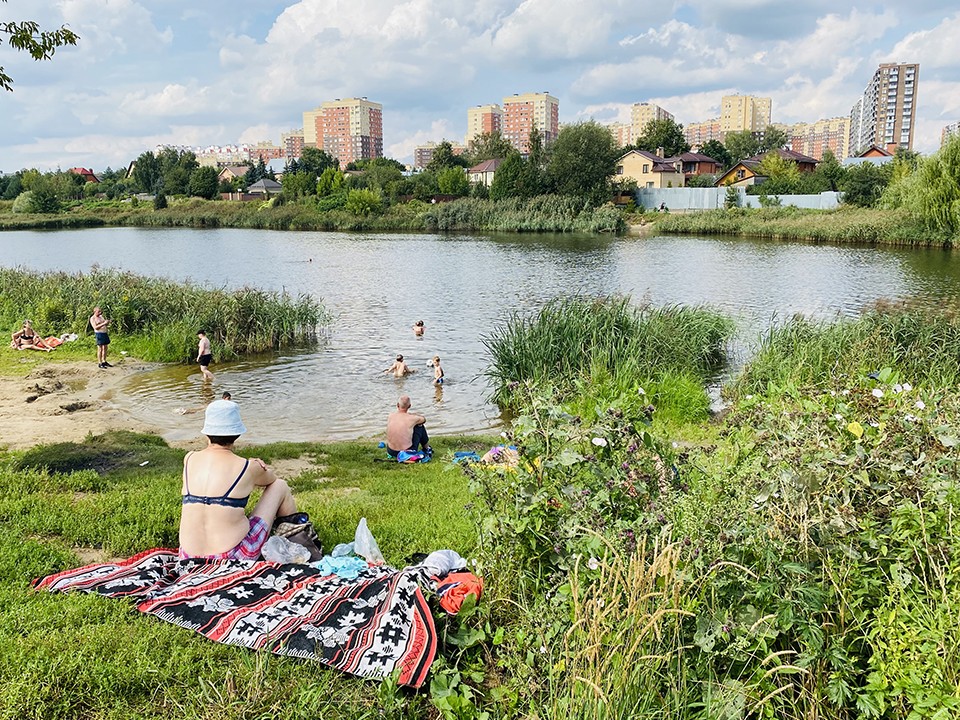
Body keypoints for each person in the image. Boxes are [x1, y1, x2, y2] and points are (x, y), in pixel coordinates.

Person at [178, 399, 298, 560]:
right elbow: (271, 478)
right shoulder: (247, 467)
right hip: (234, 556)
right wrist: (257, 465)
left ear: (206, 432)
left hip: (188, 555)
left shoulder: (189, 458)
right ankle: (295, 538)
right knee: (280, 486)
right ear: (237, 434)